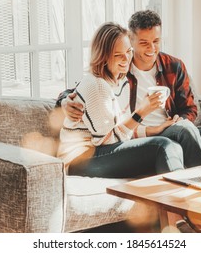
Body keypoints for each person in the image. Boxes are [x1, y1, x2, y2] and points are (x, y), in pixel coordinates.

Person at [60, 10, 201, 164]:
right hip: (138, 134)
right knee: (182, 133)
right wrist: (64, 102)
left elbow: (190, 108)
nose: (151, 48)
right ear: (131, 41)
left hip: (168, 127)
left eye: (156, 41)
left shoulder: (173, 66)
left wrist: (179, 119)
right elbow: (86, 90)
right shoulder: (119, 69)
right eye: (144, 43)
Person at [57, 22, 185, 178]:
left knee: (174, 147)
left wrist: (152, 130)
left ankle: (183, 192)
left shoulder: (121, 81)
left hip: (100, 152)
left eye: (129, 51)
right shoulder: (96, 85)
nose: (126, 58)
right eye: (118, 55)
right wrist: (141, 113)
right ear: (103, 57)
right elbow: (107, 140)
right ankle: (182, 197)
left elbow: (121, 129)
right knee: (162, 147)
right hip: (79, 161)